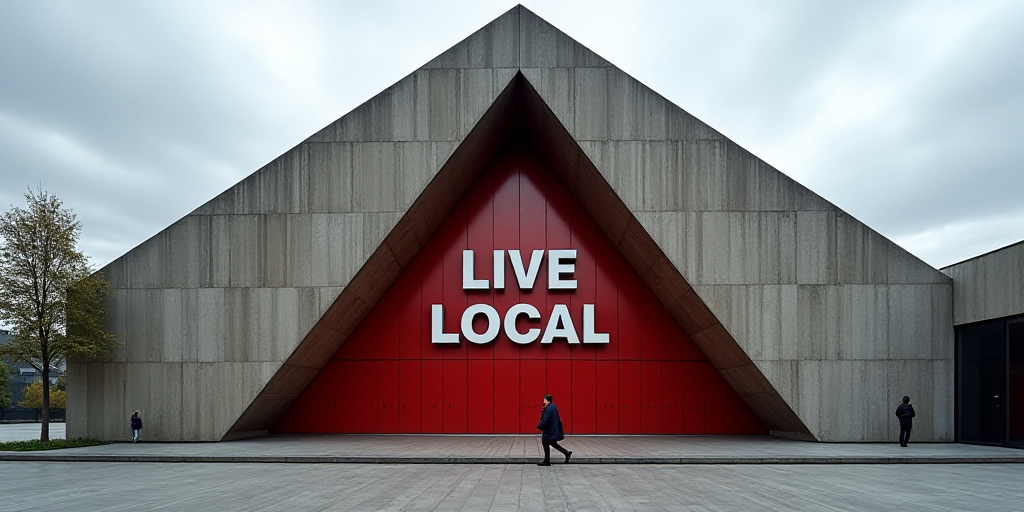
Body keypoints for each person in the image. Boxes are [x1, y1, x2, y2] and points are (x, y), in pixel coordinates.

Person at [536, 394, 572, 466]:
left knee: (545, 442)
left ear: (547, 400)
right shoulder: (552, 407)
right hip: (552, 429)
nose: (543, 400)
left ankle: (547, 460)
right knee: (552, 443)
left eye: (544, 399)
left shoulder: (550, 408)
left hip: (549, 429)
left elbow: (546, 418)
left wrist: (540, 426)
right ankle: (566, 453)